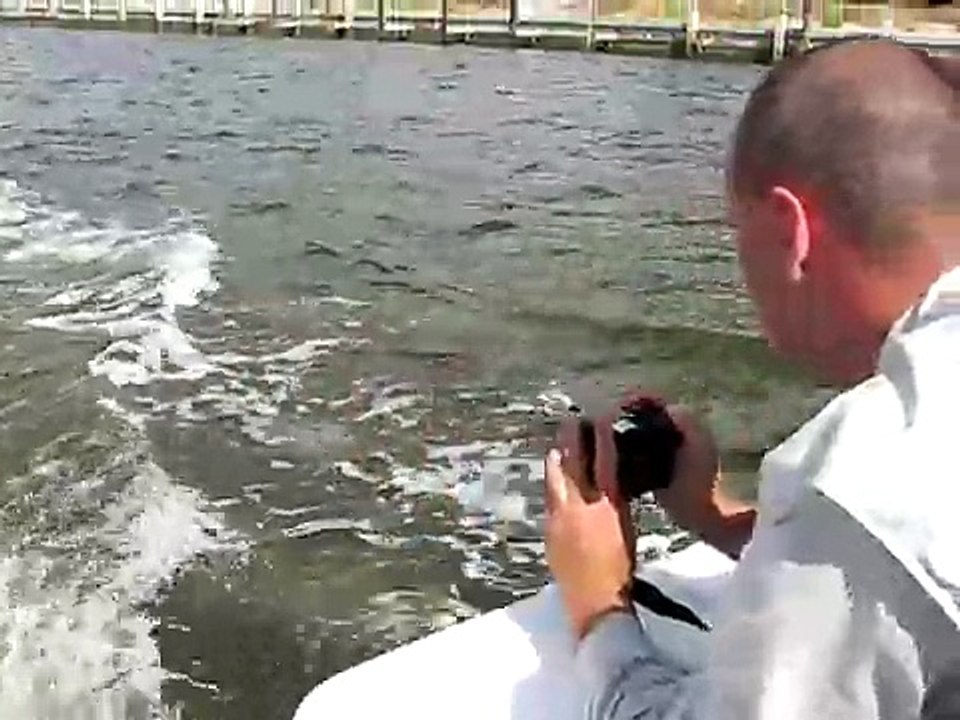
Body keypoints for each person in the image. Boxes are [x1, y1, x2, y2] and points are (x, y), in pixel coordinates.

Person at [544, 39, 960, 720]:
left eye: (737, 235)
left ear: (789, 229)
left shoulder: (867, 477)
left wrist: (597, 604)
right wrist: (716, 515)